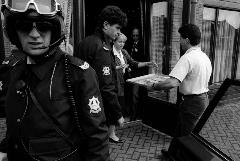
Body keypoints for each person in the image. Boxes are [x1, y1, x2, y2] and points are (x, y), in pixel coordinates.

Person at [0, 0, 110, 161]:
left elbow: (97, 139)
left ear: (54, 30)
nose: (34, 35)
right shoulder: (14, 70)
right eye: (24, 26)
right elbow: (14, 124)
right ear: (14, 31)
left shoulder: (77, 73)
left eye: (43, 26)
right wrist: (4, 149)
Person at [147, 24, 212, 137]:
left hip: (192, 102)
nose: (180, 42)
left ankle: (182, 154)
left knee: (187, 136)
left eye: (180, 39)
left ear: (186, 40)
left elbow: (173, 82)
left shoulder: (187, 58)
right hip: (203, 98)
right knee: (181, 128)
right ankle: (172, 152)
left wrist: (153, 86)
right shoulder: (204, 56)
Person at [76, 6, 127, 143]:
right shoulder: (101, 48)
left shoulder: (85, 42)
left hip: (82, 104)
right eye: (117, 28)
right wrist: (118, 114)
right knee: (98, 146)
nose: (119, 32)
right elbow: (106, 86)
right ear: (105, 25)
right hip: (95, 107)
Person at [113, 33, 157, 119]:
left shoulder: (124, 52)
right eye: (120, 42)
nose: (122, 44)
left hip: (124, 80)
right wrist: (119, 67)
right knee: (117, 103)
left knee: (125, 101)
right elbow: (107, 68)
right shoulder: (109, 53)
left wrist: (147, 63)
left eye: (123, 42)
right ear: (114, 41)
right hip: (115, 82)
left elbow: (133, 63)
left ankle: (126, 119)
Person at [124, 27, 148, 121]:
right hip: (128, 74)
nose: (135, 37)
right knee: (129, 95)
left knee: (135, 95)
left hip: (138, 75)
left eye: (136, 35)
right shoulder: (129, 44)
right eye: (133, 35)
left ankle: (134, 116)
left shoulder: (143, 46)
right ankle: (129, 113)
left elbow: (141, 61)